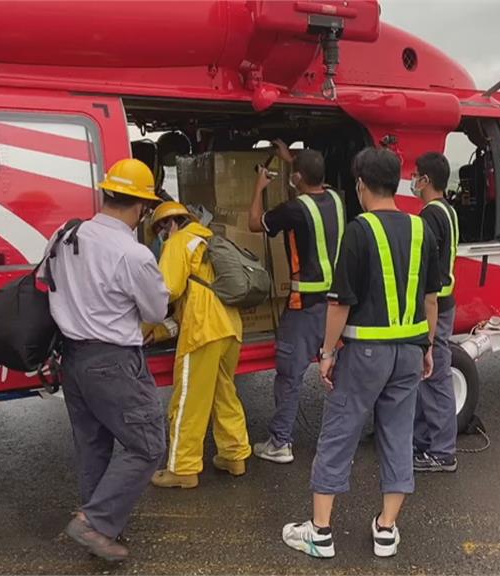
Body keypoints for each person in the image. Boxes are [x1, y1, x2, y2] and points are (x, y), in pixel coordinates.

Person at [282, 147, 441, 559]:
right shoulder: (422, 228)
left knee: (339, 433)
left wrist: (328, 351)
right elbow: (431, 299)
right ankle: (386, 529)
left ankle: (320, 533)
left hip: (366, 352)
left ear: (361, 185)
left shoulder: (359, 229)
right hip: (409, 351)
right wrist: (427, 347)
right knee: (397, 435)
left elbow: (340, 302)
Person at [49, 158, 169, 562]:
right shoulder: (132, 255)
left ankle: (98, 519)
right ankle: (95, 523)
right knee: (148, 444)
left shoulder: (64, 235)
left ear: (105, 194)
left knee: (93, 444)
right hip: (113, 362)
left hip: (73, 358)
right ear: (140, 207)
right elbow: (155, 312)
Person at [248, 139, 344, 464]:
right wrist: (291, 160)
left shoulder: (294, 210)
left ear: (299, 177)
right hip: (337, 306)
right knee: (339, 375)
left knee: (290, 375)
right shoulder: (336, 199)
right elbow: (309, 189)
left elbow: (254, 223)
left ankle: (280, 443)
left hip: (305, 308)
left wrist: (260, 187)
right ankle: (340, 444)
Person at [147, 201, 252, 488]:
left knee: (188, 400)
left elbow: (167, 289)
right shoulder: (208, 237)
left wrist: (143, 322)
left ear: (169, 224)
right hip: (231, 326)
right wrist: (160, 332)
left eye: (160, 230)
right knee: (224, 391)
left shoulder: (178, 241)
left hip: (203, 329)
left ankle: (183, 468)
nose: (161, 236)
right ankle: (234, 454)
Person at [410, 152, 460, 472]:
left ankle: (443, 452)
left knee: (436, 377)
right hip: (447, 302)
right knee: (428, 377)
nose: (412, 181)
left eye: (415, 175)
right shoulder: (449, 211)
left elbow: (423, 267)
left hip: (435, 307)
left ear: (426, 180)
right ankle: (423, 441)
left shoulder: (429, 216)